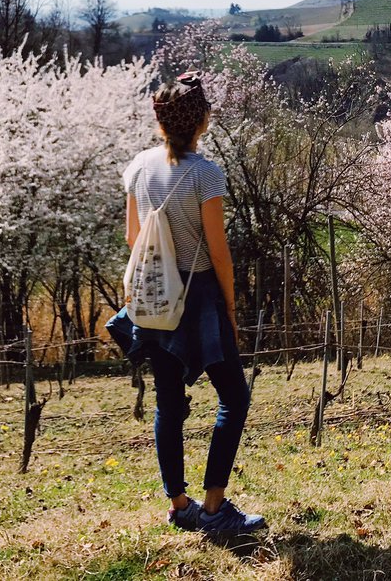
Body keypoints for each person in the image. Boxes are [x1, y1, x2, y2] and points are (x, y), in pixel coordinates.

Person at [107, 72, 266, 536]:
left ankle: (180, 505)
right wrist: (231, 308)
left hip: (155, 294)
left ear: (160, 122)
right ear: (202, 121)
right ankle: (215, 507)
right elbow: (219, 253)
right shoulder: (206, 174)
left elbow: (133, 238)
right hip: (198, 295)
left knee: (168, 402)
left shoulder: (138, 167)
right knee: (234, 397)